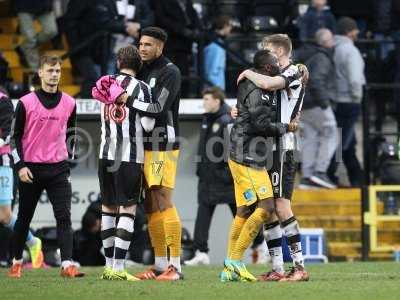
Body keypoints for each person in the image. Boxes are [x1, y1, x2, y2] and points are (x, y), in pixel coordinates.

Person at [221, 49, 297, 282]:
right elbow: (260, 123)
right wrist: (287, 127)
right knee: (265, 207)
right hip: (247, 155)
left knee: (244, 210)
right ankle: (234, 262)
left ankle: (227, 269)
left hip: (243, 151)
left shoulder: (256, 80)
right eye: (275, 62)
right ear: (267, 68)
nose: (278, 64)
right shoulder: (258, 89)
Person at [238, 34, 309, 282]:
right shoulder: (275, 73)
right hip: (267, 146)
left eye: (267, 49)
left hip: (283, 146)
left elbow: (268, 85)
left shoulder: (293, 73)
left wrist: (247, 73)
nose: (264, 54)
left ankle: (299, 267)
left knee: (281, 205)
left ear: (278, 51)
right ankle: (278, 267)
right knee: (266, 207)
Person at [8, 55, 84, 278]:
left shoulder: (70, 103)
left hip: (58, 169)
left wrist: (69, 159)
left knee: (64, 216)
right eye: (50, 71)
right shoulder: (25, 102)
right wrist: (20, 166)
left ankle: (67, 264)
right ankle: (16, 261)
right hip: (30, 169)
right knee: (24, 219)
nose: (54, 75)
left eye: (58, 71)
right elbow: (14, 138)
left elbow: (71, 133)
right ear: (40, 73)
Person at [92, 45, 156, 281]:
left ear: (118, 62)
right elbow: (149, 126)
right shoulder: (143, 88)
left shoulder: (105, 83)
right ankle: (118, 268)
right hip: (130, 156)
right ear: (138, 64)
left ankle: (109, 266)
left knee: (108, 207)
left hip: (105, 154)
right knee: (127, 210)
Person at [131, 27, 183, 281]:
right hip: (145, 145)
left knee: (163, 199)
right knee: (150, 204)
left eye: (148, 45)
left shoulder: (170, 72)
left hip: (163, 142)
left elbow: (158, 107)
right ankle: (161, 264)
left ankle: (176, 266)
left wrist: (127, 100)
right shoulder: (143, 70)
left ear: (160, 47)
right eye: (140, 44)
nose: (142, 48)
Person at [184, 87, 235, 266]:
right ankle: (201, 252)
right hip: (207, 178)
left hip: (226, 180)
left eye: (207, 99)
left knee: (242, 215)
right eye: (203, 99)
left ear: (217, 101)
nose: (204, 102)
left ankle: (260, 246)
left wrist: (227, 174)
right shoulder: (207, 118)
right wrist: (201, 170)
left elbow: (233, 150)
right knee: (203, 214)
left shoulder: (228, 119)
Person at [0, 89, 44, 269]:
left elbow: (7, 134)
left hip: (2, 161)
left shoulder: (3, 100)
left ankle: (33, 242)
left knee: (4, 216)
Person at [64, 0, 142, 97]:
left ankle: (103, 109)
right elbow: (69, 21)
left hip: (102, 49)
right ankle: (86, 109)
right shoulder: (80, 2)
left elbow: (109, 22)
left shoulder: (109, 2)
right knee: (92, 79)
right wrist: (75, 44)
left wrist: (125, 27)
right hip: (82, 49)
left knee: (106, 81)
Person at [296, 28, 337, 189]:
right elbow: (317, 81)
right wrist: (325, 104)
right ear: (326, 42)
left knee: (310, 139)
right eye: (332, 39)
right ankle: (320, 172)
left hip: (303, 104)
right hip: (317, 104)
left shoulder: (310, 56)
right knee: (331, 133)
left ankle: (307, 177)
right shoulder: (322, 58)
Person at [328, 17, 365, 187]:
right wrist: (357, 97)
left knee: (347, 142)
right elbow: (355, 79)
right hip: (349, 101)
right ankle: (327, 174)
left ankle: (358, 179)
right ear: (349, 31)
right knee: (343, 142)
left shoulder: (332, 48)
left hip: (336, 101)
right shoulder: (350, 51)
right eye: (355, 29)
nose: (358, 32)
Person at [153, 0, 203, 96]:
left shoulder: (187, 3)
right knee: (169, 72)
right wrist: (182, 30)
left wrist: (197, 30)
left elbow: (193, 17)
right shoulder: (163, 2)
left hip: (184, 45)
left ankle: (183, 95)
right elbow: (161, 19)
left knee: (183, 72)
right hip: (170, 44)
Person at [14, 0, 58, 70]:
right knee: (30, 39)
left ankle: (25, 47)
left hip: (44, 5)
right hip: (23, 6)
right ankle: (35, 71)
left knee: (51, 31)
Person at [203, 16, 232, 91]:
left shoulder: (215, 43)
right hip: (214, 88)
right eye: (230, 26)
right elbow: (213, 70)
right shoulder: (215, 45)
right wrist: (217, 89)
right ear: (225, 26)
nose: (230, 29)